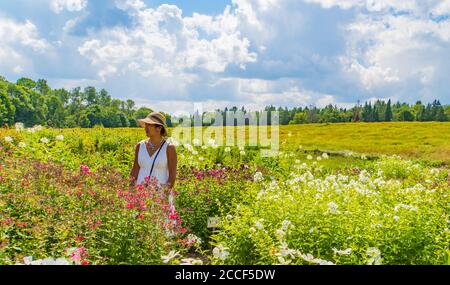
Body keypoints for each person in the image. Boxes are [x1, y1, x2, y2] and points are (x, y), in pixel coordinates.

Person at [130, 112, 177, 192]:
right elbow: (135, 170)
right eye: (146, 124)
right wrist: (130, 191)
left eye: (149, 125)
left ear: (159, 128)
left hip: (160, 195)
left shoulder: (169, 148)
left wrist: (164, 196)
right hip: (140, 195)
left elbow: (172, 177)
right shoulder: (140, 146)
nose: (146, 127)